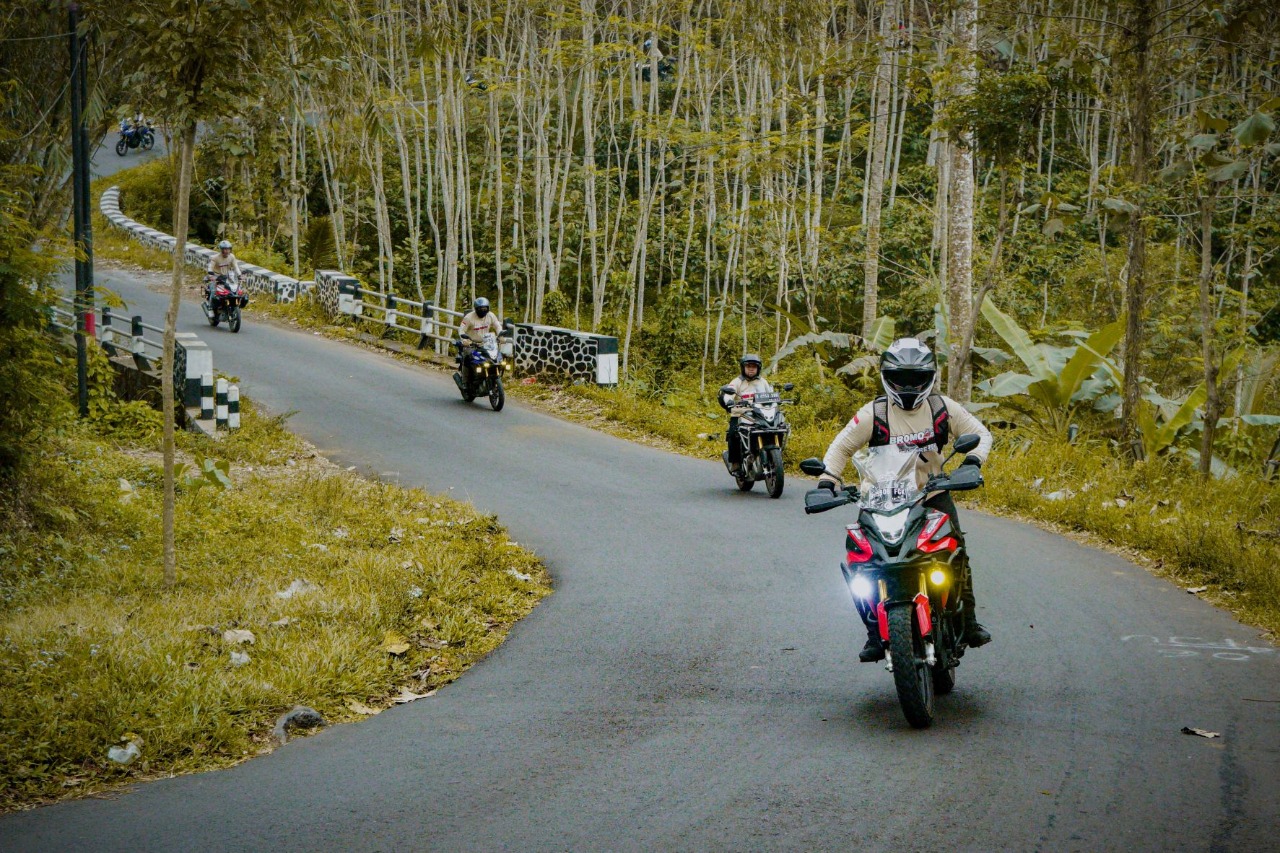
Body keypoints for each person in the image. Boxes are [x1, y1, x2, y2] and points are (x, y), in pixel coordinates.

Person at [816, 337, 994, 662]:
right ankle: (874, 632)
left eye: (916, 378)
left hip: (931, 497)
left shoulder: (942, 408)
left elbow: (981, 434)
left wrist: (971, 462)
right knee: (863, 566)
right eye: (902, 378)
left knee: (958, 556)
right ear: (887, 376)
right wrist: (828, 480)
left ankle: (967, 621)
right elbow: (840, 447)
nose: (909, 386)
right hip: (879, 502)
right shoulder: (875, 412)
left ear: (929, 377)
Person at [720, 354, 772, 477]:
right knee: (733, 434)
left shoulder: (763, 382)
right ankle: (735, 463)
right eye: (748, 366)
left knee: (774, 428)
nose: (751, 369)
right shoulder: (737, 381)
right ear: (743, 367)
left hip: (759, 414)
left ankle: (772, 455)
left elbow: (770, 395)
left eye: (754, 366)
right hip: (740, 415)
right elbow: (728, 394)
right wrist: (729, 401)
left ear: (758, 368)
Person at [457, 297, 503, 386]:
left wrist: (500, 335)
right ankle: (465, 382)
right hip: (471, 344)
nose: (483, 311)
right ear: (476, 309)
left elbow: (497, 326)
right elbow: (461, 330)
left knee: (494, 359)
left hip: (486, 343)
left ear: (488, 308)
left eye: (485, 308)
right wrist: (465, 340)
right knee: (468, 358)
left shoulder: (491, 315)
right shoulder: (469, 317)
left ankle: (491, 377)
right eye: (480, 309)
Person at [206, 240, 241, 305]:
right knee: (213, 291)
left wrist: (240, 275)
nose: (227, 251)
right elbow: (210, 267)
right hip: (216, 277)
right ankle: (210, 306)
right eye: (225, 249)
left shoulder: (231, 257)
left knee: (234, 290)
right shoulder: (215, 258)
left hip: (227, 277)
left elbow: (236, 267)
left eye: (228, 249)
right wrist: (211, 275)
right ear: (221, 250)